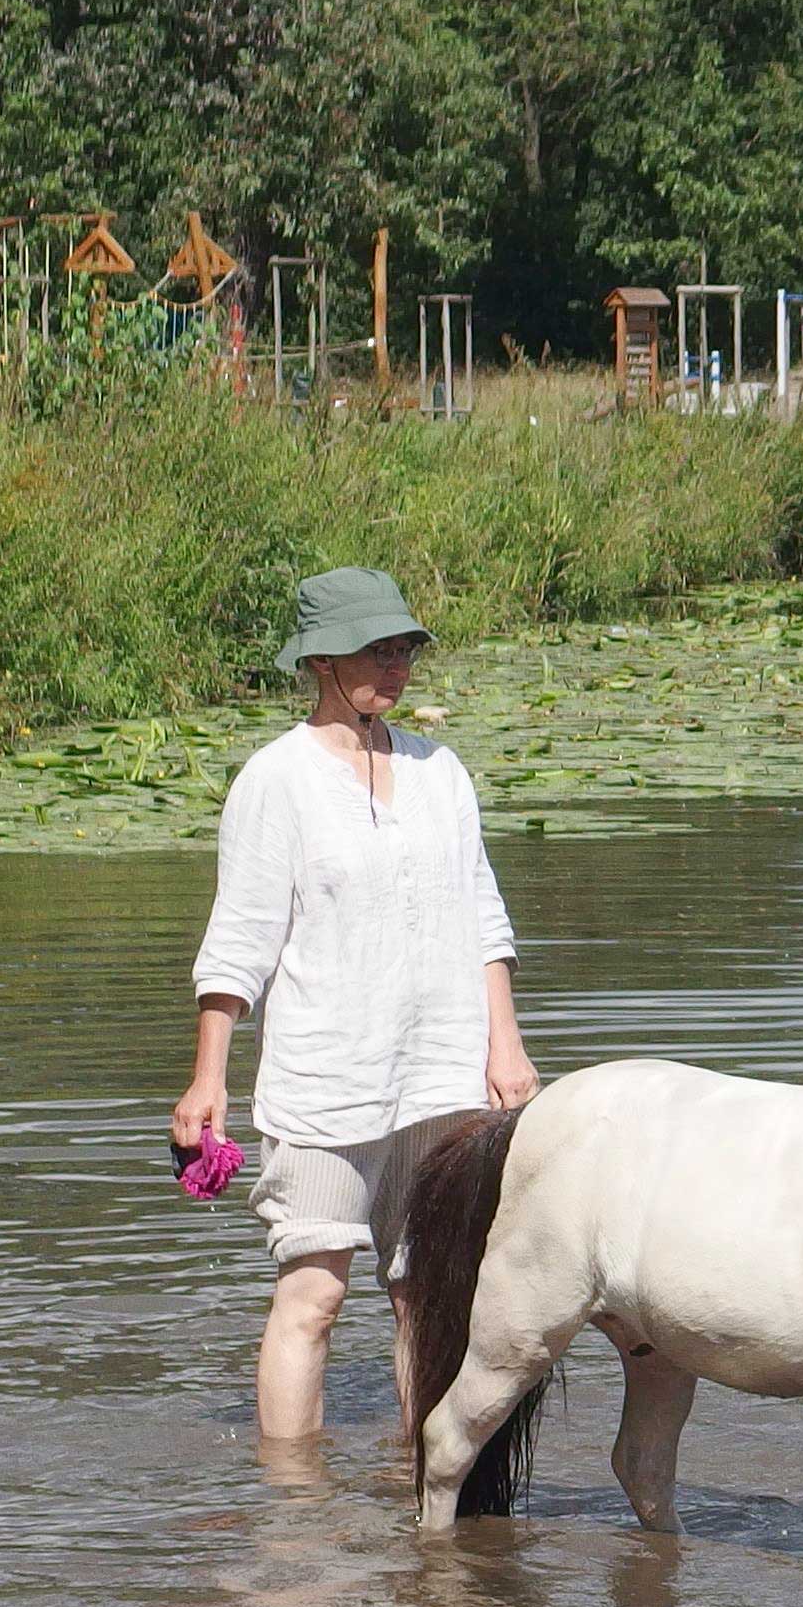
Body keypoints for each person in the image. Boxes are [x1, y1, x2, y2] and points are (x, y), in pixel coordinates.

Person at [173, 568, 536, 1448]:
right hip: (327, 1073)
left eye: (405, 647)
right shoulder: (277, 780)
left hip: (440, 1072)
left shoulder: (440, 772)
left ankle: (427, 1489)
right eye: (379, 648)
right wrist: (206, 1078)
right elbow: (241, 937)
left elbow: (480, 913)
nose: (397, 665)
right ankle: (294, 1512)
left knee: (425, 1289)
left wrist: (506, 1046)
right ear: (322, 660)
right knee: (315, 1292)